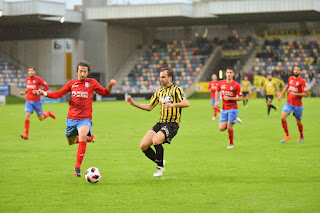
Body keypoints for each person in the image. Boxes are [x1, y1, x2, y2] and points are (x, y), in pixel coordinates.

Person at [36, 61, 116, 177]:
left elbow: (104, 93)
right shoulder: (71, 84)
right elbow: (59, 94)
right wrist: (44, 93)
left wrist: (110, 85)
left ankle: (77, 167)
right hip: (71, 119)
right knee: (70, 142)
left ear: (88, 72)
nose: (82, 73)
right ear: (77, 72)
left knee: (83, 133)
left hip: (85, 119)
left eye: (85, 71)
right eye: (80, 71)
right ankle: (89, 139)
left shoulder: (92, 83)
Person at [126, 68, 189, 177]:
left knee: (156, 140)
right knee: (143, 146)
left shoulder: (176, 90)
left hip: (172, 124)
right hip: (160, 123)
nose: (161, 79)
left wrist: (173, 105)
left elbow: (186, 103)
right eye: (160, 77)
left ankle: (160, 167)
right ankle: (159, 160)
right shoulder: (159, 92)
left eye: (163, 77)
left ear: (170, 78)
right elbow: (149, 107)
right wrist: (133, 103)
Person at [19, 67, 56, 140]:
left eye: (32, 71)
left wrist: (39, 91)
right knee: (27, 116)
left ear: (34, 72)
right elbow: (29, 89)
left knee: (41, 118)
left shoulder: (38, 79)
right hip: (28, 101)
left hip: (37, 101)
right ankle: (26, 135)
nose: (30, 72)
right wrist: (24, 92)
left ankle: (48, 113)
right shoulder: (27, 80)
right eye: (29, 71)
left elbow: (46, 87)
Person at [214, 67, 243, 149]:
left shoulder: (236, 85)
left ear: (233, 74)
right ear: (225, 74)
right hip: (224, 109)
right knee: (221, 128)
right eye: (227, 72)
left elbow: (240, 98)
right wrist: (216, 101)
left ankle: (231, 144)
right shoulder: (221, 83)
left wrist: (230, 98)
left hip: (233, 108)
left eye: (230, 72)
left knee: (229, 127)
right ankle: (234, 119)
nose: (229, 74)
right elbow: (217, 91)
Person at [277, 66, 307, 143]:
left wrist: (296, 93)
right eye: (295, 69)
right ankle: (287, 135)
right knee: (282, 118)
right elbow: (287, 86)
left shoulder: (302, 81)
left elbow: (305, 94)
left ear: (300, 72)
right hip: (289, 103)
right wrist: (281, 95)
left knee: (298, 122)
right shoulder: (290, 78)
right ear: (293, 71)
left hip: (298, 105)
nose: (296, 71)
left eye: (298, 70)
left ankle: (301, 136)